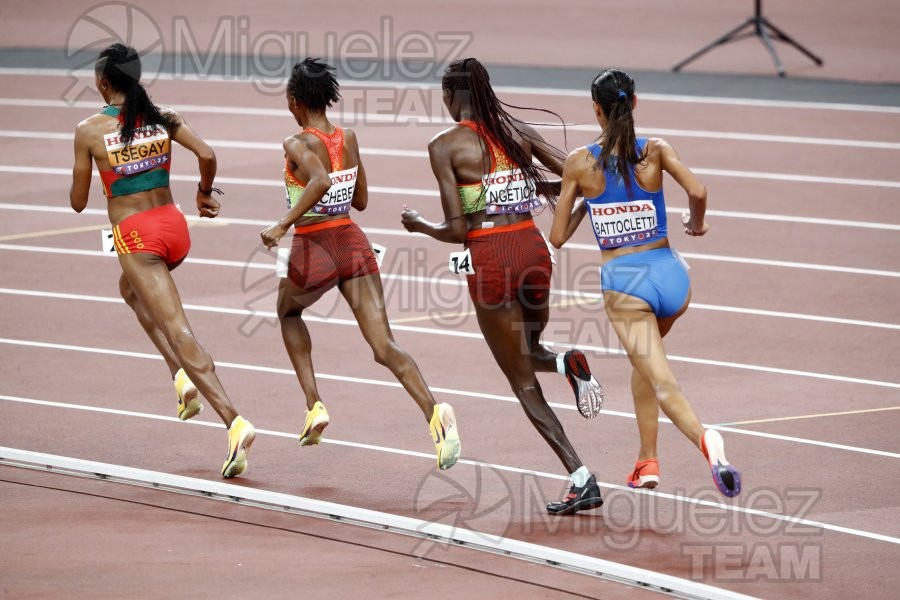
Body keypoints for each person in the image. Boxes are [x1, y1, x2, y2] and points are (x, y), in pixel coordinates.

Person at [401, 58, 605, 515]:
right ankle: (566, 361)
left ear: (453, 97)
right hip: (532, 252)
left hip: (491, 259)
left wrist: (419, 226)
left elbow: (457, 230)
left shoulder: (444, 145)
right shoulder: (518, 132)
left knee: (522, 381)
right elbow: (575, 178)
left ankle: (581, 476)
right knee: (530, 349)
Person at [259, 58, 460, 470]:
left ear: (294, 101)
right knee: (384, 345)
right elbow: (361, 201)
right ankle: (434, 414)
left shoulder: (296, 143)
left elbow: (319, 181)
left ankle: (314, 404)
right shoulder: (348, 138)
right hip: (352, 243)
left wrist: (281, 225)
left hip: (314, 245)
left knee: (288, 311)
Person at [549, 68, 741, 498]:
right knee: (645, 363)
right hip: (672, 279)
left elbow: (557, 237)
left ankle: (706, 441)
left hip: (626, 285)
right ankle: (646, 461)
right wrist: (697, 223)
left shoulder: (580, 162)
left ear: (595, 109)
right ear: (634, 103)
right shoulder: (655, 149)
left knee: (662, 380)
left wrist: (585, 201)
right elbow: (698, 190)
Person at [69, 44, 255, 478]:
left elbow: (78, 204)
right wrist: (204, 193)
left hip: (138, 236)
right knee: (130, 291)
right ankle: (181, 378)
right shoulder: (164, 116)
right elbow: (207, 154)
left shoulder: (89, 130)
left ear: (102, 82)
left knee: (178, 327)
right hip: (175, 228)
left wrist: (105, 176)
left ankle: (234, 420)